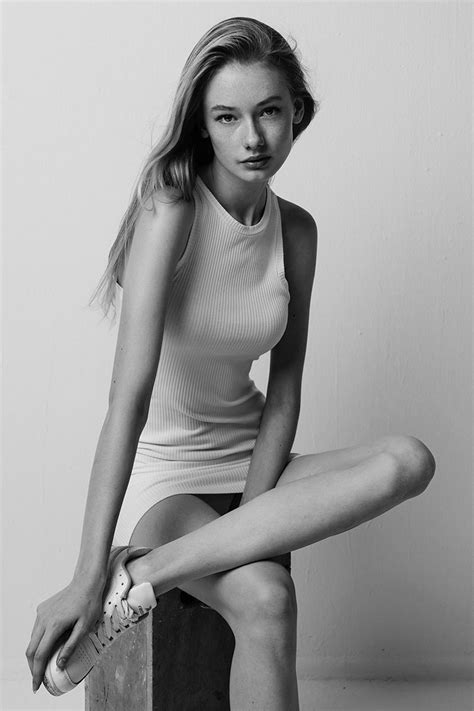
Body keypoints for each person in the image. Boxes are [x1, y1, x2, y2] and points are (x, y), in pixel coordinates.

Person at [26, 16, 436, 710]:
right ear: (204, 124)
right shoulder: (172, 208)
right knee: (269, 597)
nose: (253, 137)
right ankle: (123, 574)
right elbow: (127, 399)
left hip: (252, 463)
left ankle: (146, 577)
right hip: (165, 477)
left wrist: (250, 518)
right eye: (228, 117)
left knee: (409, 460)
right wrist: (86, 575)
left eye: (269, 112)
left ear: (296, 111)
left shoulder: (297, 230)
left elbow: (284, 392)